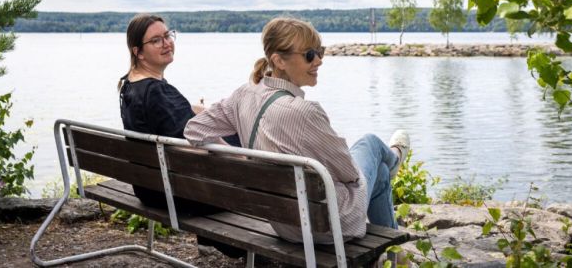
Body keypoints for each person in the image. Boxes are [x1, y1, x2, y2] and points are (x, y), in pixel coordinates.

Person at [184, 17, 410, 244]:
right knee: (370, 144)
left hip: (284, 224)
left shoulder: (244, 95)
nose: (319, 61)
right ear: (278, 60)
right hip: (330, 225)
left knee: (379, 173)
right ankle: (394, 160)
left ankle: (394, 250)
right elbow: (350, 173)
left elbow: (195, 130)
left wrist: (242, 156)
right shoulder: (305, 112)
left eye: (320, 52)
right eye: (309, 55)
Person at [118, 13, 243, 257]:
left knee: (230, 134)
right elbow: (198, 144)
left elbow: (167, 121)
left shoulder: (130, 86)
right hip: (177, 192)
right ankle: (230, 242)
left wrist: (197, 110)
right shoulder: (158, 92)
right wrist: (242, 157)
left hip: (149, 188)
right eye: (156, 40)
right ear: (138, 52)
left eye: (167, 35)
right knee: (240, 139)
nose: (166, 43)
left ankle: (210, 241)